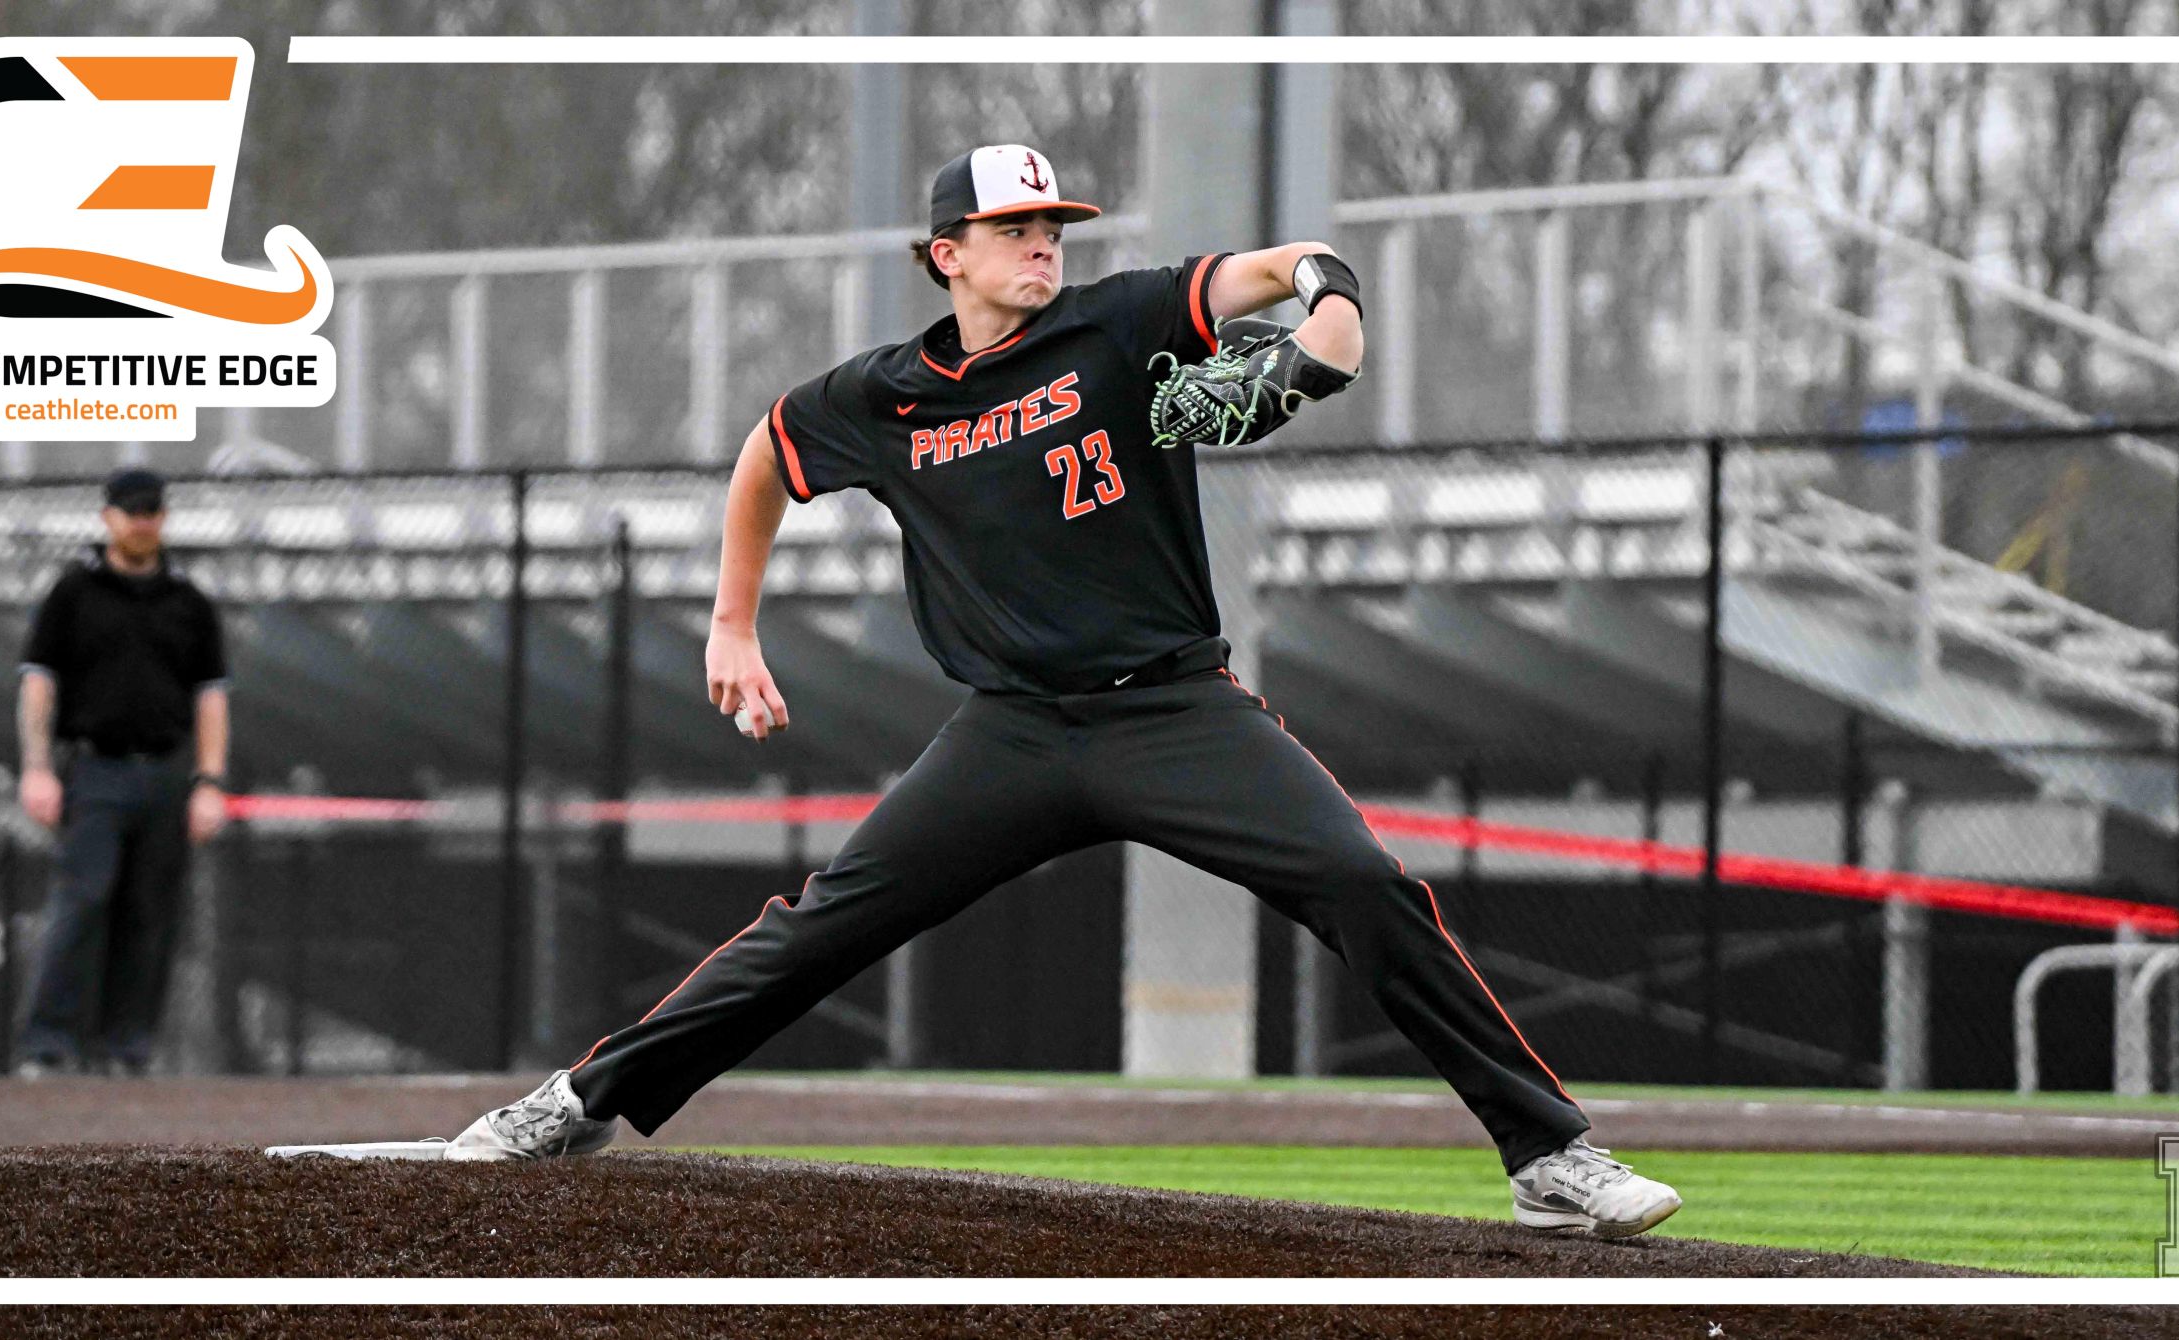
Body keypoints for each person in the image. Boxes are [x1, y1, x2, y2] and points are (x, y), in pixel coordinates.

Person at [447, 144, 1680, 1238]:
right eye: (1014, 229)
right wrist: (732, 622)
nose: (1042, 243)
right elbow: (768, 453)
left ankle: (1548, 1156)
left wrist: (1332, 296)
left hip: (1174, 711)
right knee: (819, 927)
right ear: (948, 254)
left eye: (1051, 227)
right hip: (1012, 734)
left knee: (1364, 883)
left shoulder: (1119, 322)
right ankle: (581, 1099)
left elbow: (1277, 270)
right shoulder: (884, 397)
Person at [13, 467, 230, 1077]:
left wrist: (209, 782)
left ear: (164, 517)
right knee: (82, 899)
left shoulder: (189, 603)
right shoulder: (73, 593)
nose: (142, 523)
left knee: (148, 913)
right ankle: (47, 1042)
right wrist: (36, 768)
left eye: (151, 511)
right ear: (107, 517)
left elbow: (211, 697)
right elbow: (39, 683)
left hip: (165, 774)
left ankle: (125, 1047)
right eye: (131, 512)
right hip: (94, 771)